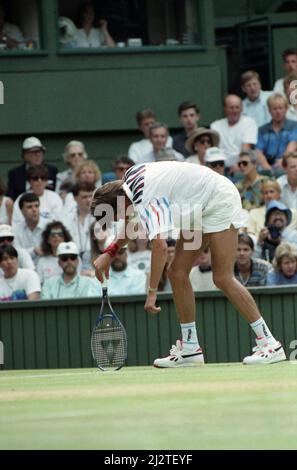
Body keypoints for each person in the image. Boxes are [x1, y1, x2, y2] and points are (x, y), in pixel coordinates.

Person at [91, 161, 286, 366]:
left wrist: (151, 292)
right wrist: (110, 252)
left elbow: (160, 247)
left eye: (117, 215)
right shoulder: (128, 182)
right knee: (177, 272)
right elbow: (132, 222)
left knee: (222, 277)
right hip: (195, 204)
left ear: (121, 204)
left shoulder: (144, 198)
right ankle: (191, 349)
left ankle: (270, 344)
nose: (121, 219)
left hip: (219, 198)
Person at [211, 95, 258, 175]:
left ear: (242, 108)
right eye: (231, 107)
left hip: (241, 166)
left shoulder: (249, 123)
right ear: (225, 109)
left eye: (237, 107)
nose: (234, 110)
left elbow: (246, 148)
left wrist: (239, 164)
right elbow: (214, 149)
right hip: (219, 167)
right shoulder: (215, 126)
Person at [256, 94, 297, 175]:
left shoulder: (294, 126)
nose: (278, 112)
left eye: (280, 108)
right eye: (274, 109)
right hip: (266, 167)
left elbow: (292, 147)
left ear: (286, 109)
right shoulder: (262, 130)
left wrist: (282, 162)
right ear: (269, 110)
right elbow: (258, 152)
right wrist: (268, 169)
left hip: (286, 165)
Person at [6, 137, 58, 201]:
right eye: (34, 152)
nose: (38, 155)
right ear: (25, 155)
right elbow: (10, 197)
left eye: (40, 151)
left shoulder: (51, 170)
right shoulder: (15, 174)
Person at [13, 193, 48, 264]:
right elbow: (15, 254)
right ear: (22, 211)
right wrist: (33, 251)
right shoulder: (15, 230)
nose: (34, 209)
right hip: (24, 268)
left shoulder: (49, 226)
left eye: (36, 206)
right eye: (29, 207)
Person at [63, 182, 95, 260]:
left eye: (91, 196)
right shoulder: (66, 219)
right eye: (84, 197)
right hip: (72, 259)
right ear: (75, 198)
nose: (89, 200)